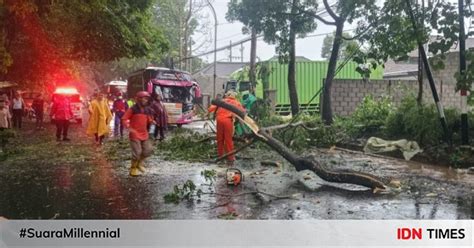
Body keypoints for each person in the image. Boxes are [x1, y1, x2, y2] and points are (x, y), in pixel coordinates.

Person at [208, 90, 245, 166]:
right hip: (228, 121)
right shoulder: (236, 102)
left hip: (219, 121)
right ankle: (230, 157)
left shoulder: (222, 101)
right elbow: (243, 112)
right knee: (228, 140)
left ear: (227, 95)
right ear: (234, 96)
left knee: (220, 139)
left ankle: (220, 155)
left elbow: (210, 109)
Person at [122, 91, 154, 176]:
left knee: (148, 150)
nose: (146, 100)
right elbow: (124, 119)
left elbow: (148, 119)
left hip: (144, 133)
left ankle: (139, 163)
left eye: (147, 99)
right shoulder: (132, 109)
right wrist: (129, 128)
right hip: (135, 134)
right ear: (139, 99)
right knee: (137, 152)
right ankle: (133, 168)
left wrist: (152, 121)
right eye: (144, 98)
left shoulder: (147, 109)